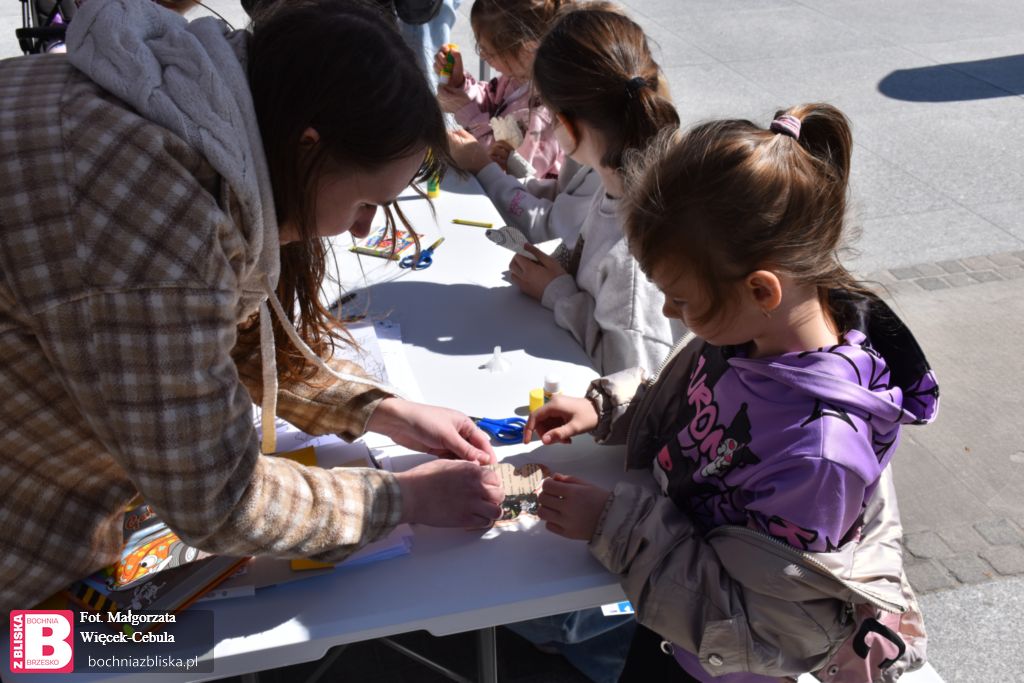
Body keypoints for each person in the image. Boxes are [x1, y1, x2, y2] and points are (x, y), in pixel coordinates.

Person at [0, 0, 505, 612]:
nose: (361, 229)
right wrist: (403, 499)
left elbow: (203, 334)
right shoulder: (158, 221)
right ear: (308, 146)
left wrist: (377, 408)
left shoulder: (184, 111)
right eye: (365, 203)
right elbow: (220, 498)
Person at [525, 105, 940, 682]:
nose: (670, 313)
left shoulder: (816, 457)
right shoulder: (750, 334)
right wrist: (608, 408)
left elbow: (758, 625)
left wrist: (614, 525)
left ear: (762, 289)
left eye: (681, 299)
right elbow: (691, 403)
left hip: (713, 663)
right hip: (667, 604)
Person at [451, 4, 684, 376]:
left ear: (567, 128)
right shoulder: (615, 182)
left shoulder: (631, 257)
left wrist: (558, 295)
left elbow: (634, 380)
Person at [436, 0, 566, 180]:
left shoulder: (544, 117)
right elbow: (491, 102)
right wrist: (460, 84)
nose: (483, 56)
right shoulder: (518, 77)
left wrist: (467, 112)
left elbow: (507, 174)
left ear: (528, 50)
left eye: (489, 52)